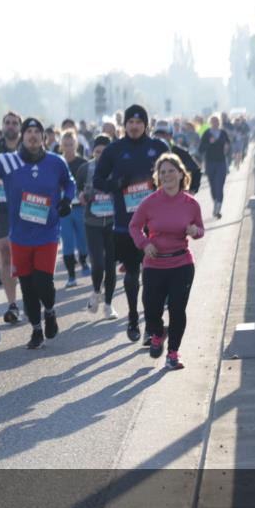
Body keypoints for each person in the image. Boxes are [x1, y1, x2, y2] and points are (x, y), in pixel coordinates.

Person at [0, 117, 76, 350]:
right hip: (20, 235)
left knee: (43, 281)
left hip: (48, 232)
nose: (33, 135)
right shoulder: (9, 162)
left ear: (44, 137)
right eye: (29, 132)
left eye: (37, 131)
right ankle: (36, 330)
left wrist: (67, 200)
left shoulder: (56, 162)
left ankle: (50, 310)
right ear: (23, 137)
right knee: (27, 285)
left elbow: (70, 183)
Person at [93, 104, 167, 344]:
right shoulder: (114, 150)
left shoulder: (158, 148)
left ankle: (150, 325)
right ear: (124, 125)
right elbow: (98, 180)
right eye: (130, 122)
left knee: (153, 276)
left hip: (157, 223)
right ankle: (134, 317)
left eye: (139, 122)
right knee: (133, 273)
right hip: (127, 224)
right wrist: (115, 184)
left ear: (146, 125)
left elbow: (174, 174)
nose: (134, 126)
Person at [129, 153, 204, 370]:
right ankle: (158, 332)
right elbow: (134, 227)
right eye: (163, 172)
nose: (167, 175)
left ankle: (173, 353)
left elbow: (200, 230)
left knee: (177, 309)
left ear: (181, 174)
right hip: (155, 263)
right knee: (151, 309)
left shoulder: (191, 204)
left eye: (172, 171)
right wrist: (144, 244)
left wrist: (194, 230)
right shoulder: (149, 202)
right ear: (158, 177)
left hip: (181, 263)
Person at [77, 135, 119, 319]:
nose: (101, 155)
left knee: (111, 265)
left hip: (113, 223)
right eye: (98, 151)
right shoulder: (85, 168)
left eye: (105, 151)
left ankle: (108, 305)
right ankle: (96, 290)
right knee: (98, 264)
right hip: (92, 223)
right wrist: (81, 196)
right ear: (93, 152)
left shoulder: (118, 168)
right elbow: (78, 188)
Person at [0, 111, 24, 324]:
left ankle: (29, 295)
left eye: (14, 123)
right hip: (0, 207)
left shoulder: (28, 147)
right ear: (3, 126)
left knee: (23, 253)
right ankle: (12, 304)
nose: (10, 126)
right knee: (3, 249)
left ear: (19, 126)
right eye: (7, 123)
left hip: (25, 207)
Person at [58, 130, 90, 287]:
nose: (68, 147)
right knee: (67, 242)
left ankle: (84, 261)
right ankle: (71, 276)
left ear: (76, 144)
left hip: (80, 207)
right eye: (65, 144)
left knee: (83, 241)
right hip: (64, 209)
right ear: (61, 146)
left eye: (71, 144)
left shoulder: (83, 163)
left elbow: (89, 184)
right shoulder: (57, 162)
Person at [152, 121, 202, 194]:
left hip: (177, 197)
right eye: (157, 134)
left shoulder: (179, 152)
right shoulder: (149, 152)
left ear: (170, 135)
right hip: (156, 197)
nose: (160, 137)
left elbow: (196, 171)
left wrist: (191, 191)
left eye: (163, 134)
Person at [199, 115, 231, 218]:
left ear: (219, 122)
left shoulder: (223, 133)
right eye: (213, 121)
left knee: (219, 185)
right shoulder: (207, 134)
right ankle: (216, 202)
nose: (215, 123)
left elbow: (228, 145)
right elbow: (201, 149)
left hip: (221, 162)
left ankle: (218, 207)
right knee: (213, 186)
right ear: (210, 123)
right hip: (210, 163)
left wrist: (227, 147)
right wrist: (209, 143)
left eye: (217, 121)